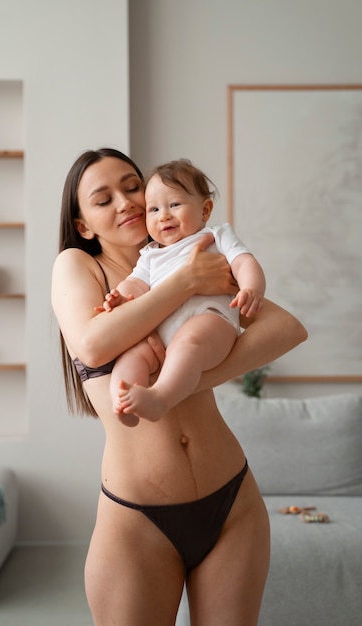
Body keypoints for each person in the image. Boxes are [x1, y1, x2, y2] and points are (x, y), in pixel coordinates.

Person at [51, 147, 307, 626]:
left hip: (232, 501)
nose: (126, 202)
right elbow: (91, 345)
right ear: (84, 224)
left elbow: (286, 329)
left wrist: (176, 385)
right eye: (103, 199)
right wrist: (186, 283)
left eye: (131, 186)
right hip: (138, 517)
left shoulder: (200, 254)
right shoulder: (80, 265)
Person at [100, 158, 266, 424]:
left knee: (189, 344)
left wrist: (251, 288)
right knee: (131, 357)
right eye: (153, 209)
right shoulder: (150, 255)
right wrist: (119, 296)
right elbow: (136, 284)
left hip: (210, 323)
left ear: (205, 210)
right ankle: (123, 400)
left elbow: (244, 261)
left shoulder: (216, 236)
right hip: (161, 336)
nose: (163, 215)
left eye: (174, 204)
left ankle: (160, 398)